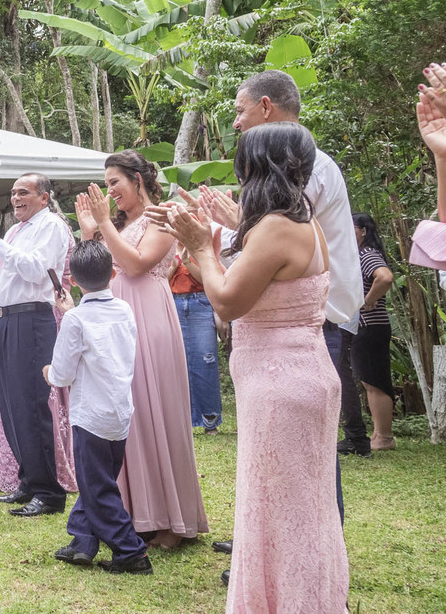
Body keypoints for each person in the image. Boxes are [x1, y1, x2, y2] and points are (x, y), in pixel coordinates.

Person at [155, 122, 349, 613]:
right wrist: (202, 243)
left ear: (254, 166)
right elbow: (244, 286)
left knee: (282, 512)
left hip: (282, 384)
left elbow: (226, 303)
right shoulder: (301, 222)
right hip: (300, 376)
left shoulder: (276, 228)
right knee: (299, 509)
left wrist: (202, 244)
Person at [76, 151, 208, 548]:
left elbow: (135, 265)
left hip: (147, 314)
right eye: (107, 182)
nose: (110, 190)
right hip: (113, 316)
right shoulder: (119, 223)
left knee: (154, 410)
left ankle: (169, 518)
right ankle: (131, 511)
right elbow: (98, 270)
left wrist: (100, 223)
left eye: (115, 181)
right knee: (121, 411)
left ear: (137, 179)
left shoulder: (163, 215)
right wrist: (89, 233)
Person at [0, 174, 73, 517]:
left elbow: (36, 271)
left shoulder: (51, 226)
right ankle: (29, 480)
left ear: (44, 196)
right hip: (6, 319)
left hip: (33, 319)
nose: (15, 198)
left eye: (23, 192)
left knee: (32, 404)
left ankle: (49, 491)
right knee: (11, 404)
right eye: (12, 193)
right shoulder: (14, 231)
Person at [47, 240, 151, 575]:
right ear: (113, 274)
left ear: (73, 281)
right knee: (99, 479)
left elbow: (62, 374)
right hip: (119, 411)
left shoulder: (76, 320)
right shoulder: (125, 309)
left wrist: (47, 372)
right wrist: (70, 311)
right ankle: (83, 540)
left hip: (90, 415)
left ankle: (131, 552)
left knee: (98, 486)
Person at [348, 212, 397, 451]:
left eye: (352, 227)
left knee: (374, 381)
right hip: (368, 327)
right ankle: (380, 434)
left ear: (364, 231)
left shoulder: (367, 254)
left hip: (371, 326)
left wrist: (368, 300)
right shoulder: (359, 255)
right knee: (370, 380)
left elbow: (385, 277)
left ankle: (384, 437)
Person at [168, 231, 224, 434]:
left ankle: (210, 420)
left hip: (200, 302)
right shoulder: (166, 244)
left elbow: (211, 279)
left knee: (205, 359)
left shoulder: (201, 243)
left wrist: (187, 262)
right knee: (177, 363)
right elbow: (160, 281)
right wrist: (174, 264)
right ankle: (183, 421)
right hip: (173, 303)